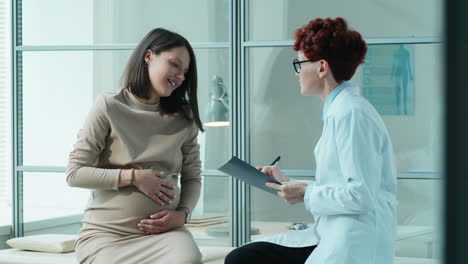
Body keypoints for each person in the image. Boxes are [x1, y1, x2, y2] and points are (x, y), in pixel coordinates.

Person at [225, 17, 397, 264]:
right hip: (330, 233)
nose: (297, 72)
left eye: (300, 63)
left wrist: (305, 192)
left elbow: (361, 195)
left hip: (353, 242)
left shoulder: (351, 114)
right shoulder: (340, 110)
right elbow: (342, 183)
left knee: (244, 259)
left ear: (322, 67)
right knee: (245, 256)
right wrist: (289, 184)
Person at [66, 28, 204, 264]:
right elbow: (75, 173)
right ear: (149, 56)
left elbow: (192, 176)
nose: (180, 77)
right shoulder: (109, 106)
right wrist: (133, 177)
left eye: (185, 72)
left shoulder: (184, 117)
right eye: (175, 65)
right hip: (108, 235)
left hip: (165, 236)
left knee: (187, 260)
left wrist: (182, 215)